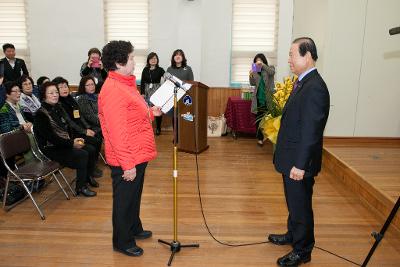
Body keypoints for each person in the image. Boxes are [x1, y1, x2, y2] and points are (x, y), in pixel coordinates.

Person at [268, 37, 330, 267]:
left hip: (299, 162)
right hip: (292, 158)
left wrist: (301, 165)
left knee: (301, 205)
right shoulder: (303, 82)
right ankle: (293, 235)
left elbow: (311, 132)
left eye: (292, 54)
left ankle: (303, 250)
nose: (289, 59)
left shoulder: (315, 88)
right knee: (294, 202)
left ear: (307, 56)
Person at [99, 40, 162, 257]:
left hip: (138, 150)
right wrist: (127, 165)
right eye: (132, 57)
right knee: (124, 200)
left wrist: (151, 111)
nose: (135, 61)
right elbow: (116, 133)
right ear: (119, 62)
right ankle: (122, 241)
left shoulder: (125, 83)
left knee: (134, 195)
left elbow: (135, 113)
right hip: (127, 157)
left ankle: (134, 227)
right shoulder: (113, 90)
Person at [33, 82, 98, 197]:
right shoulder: (41, 115)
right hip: (50, 148)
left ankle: (87, 177)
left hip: (63, 143)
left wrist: (74, 139)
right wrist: (72, 143)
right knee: (82, 154)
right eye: (51, 93)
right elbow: (52, 139)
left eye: (56, 92)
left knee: (91, 149)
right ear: (44, 96)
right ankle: (80, 187)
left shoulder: (57, 107)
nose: (55, 95)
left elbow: (67, 127)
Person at [53, 76, 103, 178]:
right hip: (72, 134)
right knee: (92, 145)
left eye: (66, 86)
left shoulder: (70, 99)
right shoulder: (59, 104)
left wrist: (87, 127)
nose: (65, 89)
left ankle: (92, 167)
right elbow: (70, 122)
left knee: (96, 140)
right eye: (61, 87)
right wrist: (85, 131)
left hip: (79, 130)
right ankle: (90, 170)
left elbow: (79, 117)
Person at [166, 49, 194, 141]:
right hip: (173, 96)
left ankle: (185, 135)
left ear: (183, 57)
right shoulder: (169, 69)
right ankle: (176, 136)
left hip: (185, 97)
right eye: (176, 55)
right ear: (173, 57)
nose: (178, 56)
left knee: (184, 116)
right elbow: (167, 83)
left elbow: (191, 83)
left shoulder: (188, 68)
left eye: (180, 55)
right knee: (175, 117)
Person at [249, 53, 275, 146]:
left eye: (260, 60)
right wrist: (251, 74)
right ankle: (260, 139)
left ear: (263, 60)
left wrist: (263, 65)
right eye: (256, 61)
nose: (258, 62)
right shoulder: (255, 71)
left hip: (268, 98)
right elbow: (252, 83)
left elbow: (272, 73)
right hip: (258, 99)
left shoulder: (270, 68)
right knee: (258, 120)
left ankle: (270, 136)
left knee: (269, 119)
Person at [140, 52, 165, 135]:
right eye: (151, 58)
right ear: (148, 60)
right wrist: (142, 93)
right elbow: (142, 82)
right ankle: (148, 127)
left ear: (157, 60)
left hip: (157, 91)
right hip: (147, 91)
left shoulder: (160, 69)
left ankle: (158, 128)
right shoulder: (145, 69)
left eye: (155, 58)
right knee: (147, 110)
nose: (153, 60)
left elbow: (166, 78)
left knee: (157, 109)